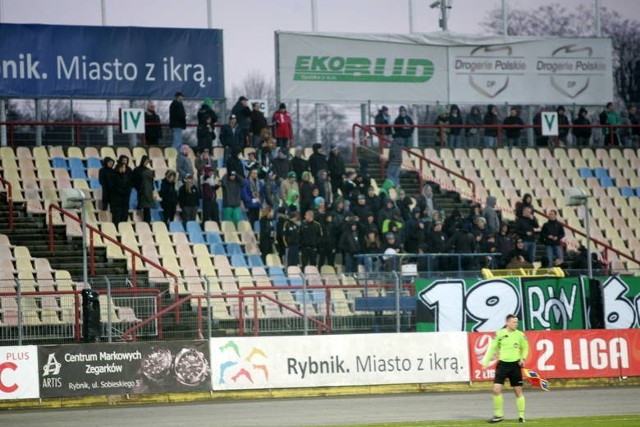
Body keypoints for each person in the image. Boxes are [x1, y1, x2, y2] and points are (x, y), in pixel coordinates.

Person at [481, 314, 529, 424]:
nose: (515, 324)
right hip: (502, 365)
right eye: (513, 322)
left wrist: (523, 358)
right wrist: (486, 362)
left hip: (515, 366)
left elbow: (526, 348)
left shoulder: (520, 335)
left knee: (518, 391)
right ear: (507, 322)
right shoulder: (499, 333)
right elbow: (492, 348)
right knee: (496, 390)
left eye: (516, 322)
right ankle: (498, 415)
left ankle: (521, 416)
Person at [108, 160, 133, 225]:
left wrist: (127, 191)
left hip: (125, 201)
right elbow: (112, 187)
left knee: (124, 218)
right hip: (116, 201)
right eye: (123, 167)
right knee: (116, 218)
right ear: (120, 168)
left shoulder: (125, 176)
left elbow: (129, 185)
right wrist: (121, 191)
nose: (125, 169)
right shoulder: (113, 175)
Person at [132, 155, 155, 223]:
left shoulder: (148, 170)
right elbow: (135, 181)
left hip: (148, 190)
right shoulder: (137, 170)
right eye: (146, 161)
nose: (147, 162)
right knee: (144, 206)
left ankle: (147, 222)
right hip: (141, 190)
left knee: (147, 208)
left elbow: (151, 182)